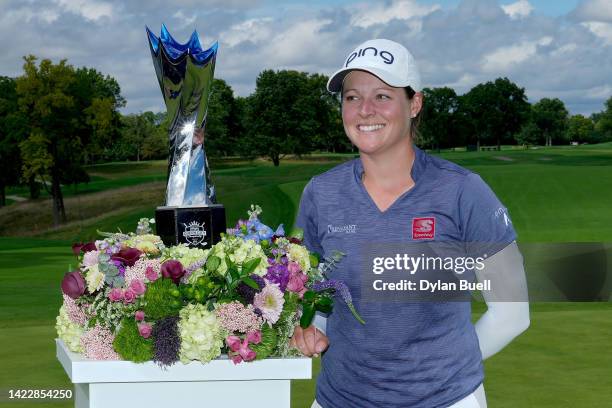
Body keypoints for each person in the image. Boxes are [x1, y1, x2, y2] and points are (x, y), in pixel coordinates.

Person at [290, 39, 530, 408]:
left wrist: (437, 375)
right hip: (339, 400)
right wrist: (312, 331)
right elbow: (317, 299)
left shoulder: (463, 191)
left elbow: (513, 313)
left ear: (414, 103)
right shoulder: (321, 194)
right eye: (352, 97)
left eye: (383, 96)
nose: (365, 110)